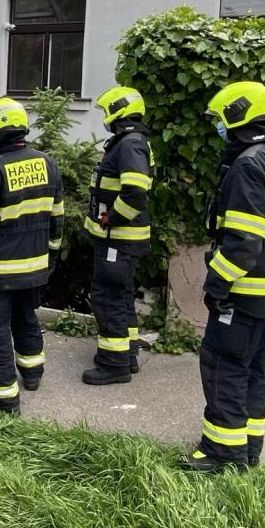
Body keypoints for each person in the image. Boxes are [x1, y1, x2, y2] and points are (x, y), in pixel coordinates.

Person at [188, 82, 265, 473]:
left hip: (245, 289)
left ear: (237, 114)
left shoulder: (248, 164)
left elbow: (243, 241)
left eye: (220, 119)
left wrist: (217, 285)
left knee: (224, 367)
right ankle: (249, 449)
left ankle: (222, 453)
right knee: (255, 368)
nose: (218, 127)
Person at [0, 97, 64, 414]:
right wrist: (51, 258)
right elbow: (57, 219)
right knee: (26, 317)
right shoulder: (47, 164)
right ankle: (32, 374)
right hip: (35, 268)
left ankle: (3, 399)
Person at [81, 85, 154, 385]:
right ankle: (128, 354)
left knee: (108, 297)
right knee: (121, 294)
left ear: (119, 112)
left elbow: (135, 193)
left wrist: (111, 218)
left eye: (107, 112)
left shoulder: (130, 144)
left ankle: (113, 364)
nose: (105, 118)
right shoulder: (132, 142)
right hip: (123, 238)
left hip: (119, 238)